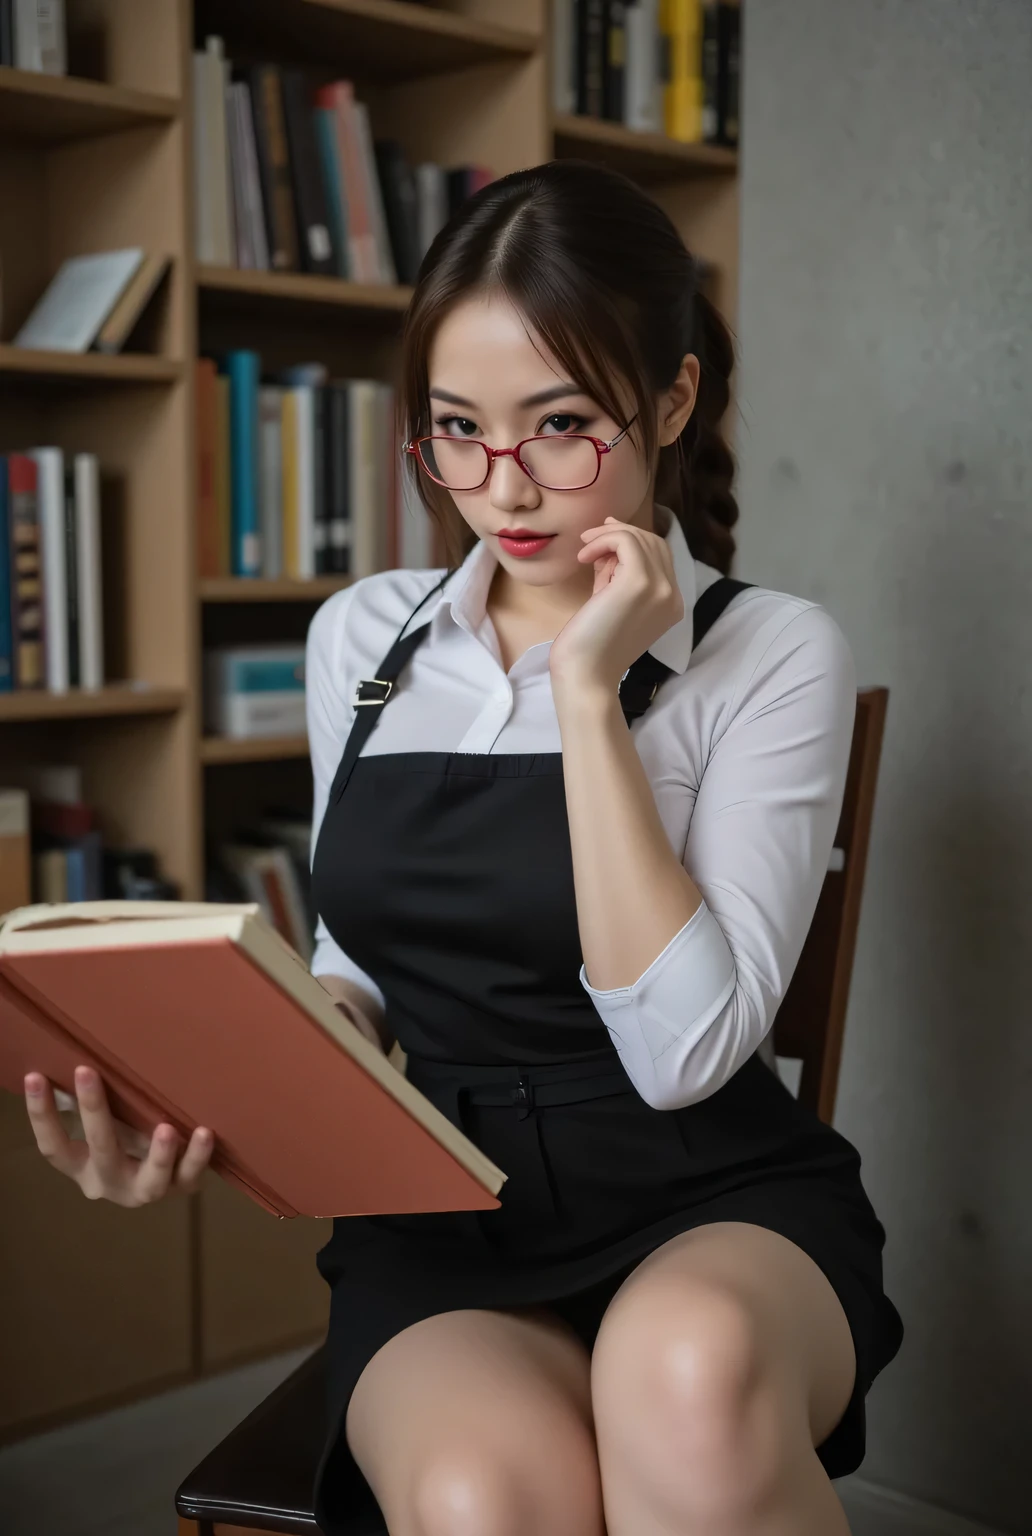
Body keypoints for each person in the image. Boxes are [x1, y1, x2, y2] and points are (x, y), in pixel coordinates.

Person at [23, 159, 903, 1536]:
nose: (503, 489)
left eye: (560, 426)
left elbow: (684, 1056)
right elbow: (355, 959)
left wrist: (586, 691)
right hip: (441, 1220)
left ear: (671, 400)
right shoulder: (362, 638)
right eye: (455, 430)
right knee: (487, 1502)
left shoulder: (769, 652)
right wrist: (230, 1075)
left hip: (707, 1200)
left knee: (686, 1390)